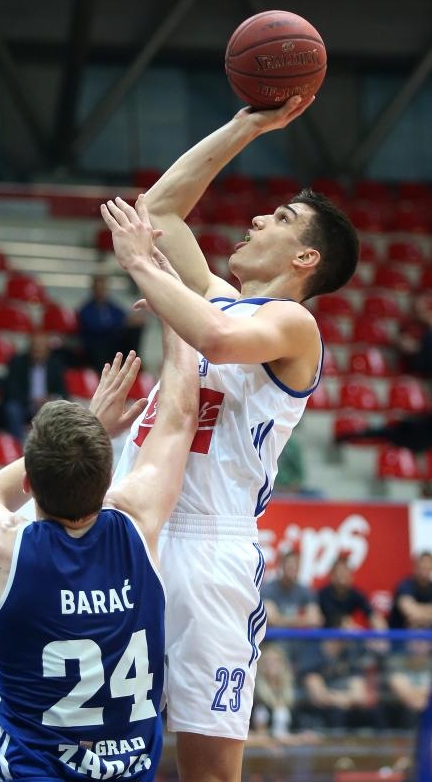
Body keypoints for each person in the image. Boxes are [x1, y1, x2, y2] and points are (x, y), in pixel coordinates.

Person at [101, 95, 360, 781]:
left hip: (208, 548)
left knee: (208, 769)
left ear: (306, 257)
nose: (254, 219)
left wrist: (150, 276)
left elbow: (212, 334)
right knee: (103, 749)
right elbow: (155, 215)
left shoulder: (294, 326)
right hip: (132, 530)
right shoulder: (213, 297)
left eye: (279, 219)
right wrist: (248, 125)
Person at [0, 338, 199, 781]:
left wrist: (91, 425)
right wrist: (178, 313)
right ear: (109, 475)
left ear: (30, 481)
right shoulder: (138, 522)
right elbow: (182, 418)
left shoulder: (4, 549)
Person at [0, 332, 67, 442]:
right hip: (24, 404)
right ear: (30, 349)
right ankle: (19, 445)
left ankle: (53, 448)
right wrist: (31, 400)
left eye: (41, 348)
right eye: (35, 348)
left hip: (45, 406)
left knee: (62, 411)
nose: (38, 351)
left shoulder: (55, 366)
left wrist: (50, 398)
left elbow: (63, 391)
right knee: (12, 408)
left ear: (48, 351)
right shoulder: (18, 362)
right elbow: (10, 389)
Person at [77, 275, 145, 372]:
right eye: (98, 289)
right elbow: (95, 328)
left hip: (114, 343)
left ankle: (134, 363)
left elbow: (124, 318)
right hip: (96, 345)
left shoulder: (112, 306)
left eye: (103, 288)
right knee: (100, 348)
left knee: (134, 329)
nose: (101, 292)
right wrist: (120, 324)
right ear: (93, 290)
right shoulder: (86, 309)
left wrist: (133, 320)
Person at [318, 556, 388, 631]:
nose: (342, 576)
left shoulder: (356, 594)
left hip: (349, 634)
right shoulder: (322, 595)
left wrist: (379, 625)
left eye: (346, 572)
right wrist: (355, 630)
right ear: (331, 575)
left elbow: (371, 614)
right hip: (326, 636)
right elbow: (338, 620)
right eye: (339, 572)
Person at [261, 549, 323, 630]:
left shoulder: (306, 591)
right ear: (281, 566)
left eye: (295, 565)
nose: (292, 568)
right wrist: (302, 620)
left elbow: (315, 620)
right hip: (275, 639)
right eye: (289, 565)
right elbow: (271, 620)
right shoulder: (267, 589)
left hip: (299, 640)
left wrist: (281, 619)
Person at [389, 551, 432, 629]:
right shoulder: (405, 585)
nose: (425, 569)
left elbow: (417, 617)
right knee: (415, 627)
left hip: (428, 635)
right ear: (415, 566)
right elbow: (410, 612)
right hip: (401, 636)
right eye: (422, 567)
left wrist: (420, 615)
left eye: (428, 567)